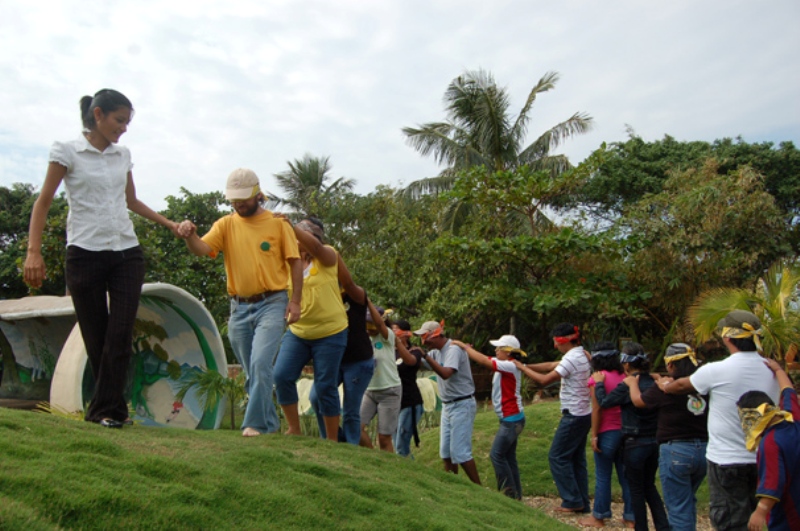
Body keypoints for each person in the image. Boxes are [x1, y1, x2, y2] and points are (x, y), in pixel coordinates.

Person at [24, 89, 185, 428]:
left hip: (126, 252)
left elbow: (132, 201)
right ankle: (111, 412)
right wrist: (33, 252)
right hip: (84, 254)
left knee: (120, 335)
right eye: (119, 120)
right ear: (98, 115)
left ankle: (104, 412)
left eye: (127, 122)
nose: (123, 128)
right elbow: (43, 202)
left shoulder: (122, 155)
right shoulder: (66, 151)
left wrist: (170, 224)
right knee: (96, 338)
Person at [179, 168, 302, 436]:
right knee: (252, 371)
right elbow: (203, 249)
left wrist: (295, 302)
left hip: (273, 302)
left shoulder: (279, 224)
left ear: (258, 194)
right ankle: (269, 426)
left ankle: (254, 425)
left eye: (243, 199)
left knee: (260, 364)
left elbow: (295, 262)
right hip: (238, 307)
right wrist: (190, 236)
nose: (238, 204)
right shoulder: (225, 224)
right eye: (234, 200)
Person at [660, 310, 780, 530]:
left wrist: (665, 385)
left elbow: (682, 386)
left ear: (727, 337)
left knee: (729, 522)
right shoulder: (773, 370)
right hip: (763, 459)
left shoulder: (717, 370)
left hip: (726, 460)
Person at [273, 217, 348, 441]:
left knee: (325, 386)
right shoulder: (288, 262)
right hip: (299, 332)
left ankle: (332, 439)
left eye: (299, 235)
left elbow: (315, 247)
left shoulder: (327, 255)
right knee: (282, 375)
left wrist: (291, 226)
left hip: (330, 332)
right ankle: (294, 429)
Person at [629, 343, 709, 531]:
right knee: (688, 499)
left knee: (678, 506)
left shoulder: (665, 387)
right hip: (703, 449)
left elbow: (639, 402)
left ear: (671, 365)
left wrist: (633, 384)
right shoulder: (702, 384)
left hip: (676, 449)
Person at [515, 322, 591, 513]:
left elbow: (543, 379)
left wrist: (521, 369)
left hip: (573, 414)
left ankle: (572, 500)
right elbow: (550, 365)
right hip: (584, 413)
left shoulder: (572, 358)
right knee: (576, 459)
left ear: (564, 341)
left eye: (556, 343)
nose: (555, 346)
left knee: (557, 456)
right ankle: (581, 500)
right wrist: (523, 365)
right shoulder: (582, 354)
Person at [594, 343, 669, 531]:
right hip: (654, 440)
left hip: (635, 441)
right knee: (649, 486)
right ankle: (662, 525)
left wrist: (600, 384)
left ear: (626, 365)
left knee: (636, 489)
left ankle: (641, 527)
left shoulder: (628, 385)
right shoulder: (653, 383)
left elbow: (604, 402)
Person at [308, 258, 373, 445]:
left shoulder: (355, 296)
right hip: (332, 361)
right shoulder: (321, 299)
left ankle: (351, 446)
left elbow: (350, 284)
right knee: (316, 397)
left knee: (351, 409)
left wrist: (332, 258)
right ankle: (331, 439)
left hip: (358, 361)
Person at [454, 335, 526, 499]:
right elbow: (486, 358)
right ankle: (515, 495)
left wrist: (464, 348)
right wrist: (469, 349)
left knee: (497, 455)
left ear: (508, 352)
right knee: (508, 457)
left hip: (511, 420)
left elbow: (485, 361)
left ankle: (508, 494)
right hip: (512, 418)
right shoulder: (507, 364)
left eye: (499, 348)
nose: (496, 350)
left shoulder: (508, 365)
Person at [414, 320, 481, 485]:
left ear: (436, 335)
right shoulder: (436, 352)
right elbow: (419, 363)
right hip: (447, 405)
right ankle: (453, 489)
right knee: (446, 453)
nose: (423, 342)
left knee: (461, 453)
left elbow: (445, 373)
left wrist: (425, 356)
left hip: (462, 404)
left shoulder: (453, 350)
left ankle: (480, 490)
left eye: (425, 337)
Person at [737, 359, 799, 531]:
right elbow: (789, 392)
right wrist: (778, 370)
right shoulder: (793, 417)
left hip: (790, 514)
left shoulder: (770, 443)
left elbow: (773, 481)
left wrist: (760, 511)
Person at [578, 341, 634, 528]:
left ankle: (599, 515)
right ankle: (631, 516)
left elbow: (597, 408)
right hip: (625, 431)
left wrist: (594, 435)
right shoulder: (625, 376)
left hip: (607, 431)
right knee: (625, 476)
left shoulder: (597, 378)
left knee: (603, 475)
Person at [359, 306, 417, 452]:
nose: (370, 328)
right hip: (369, 390)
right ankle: (374, 459)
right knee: (355, 427)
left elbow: (379, 325)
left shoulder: (388, 335)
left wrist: (367, 301)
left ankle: (387, 467)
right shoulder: (363, 338)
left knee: (384, 438)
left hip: (389, 391)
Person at [392, 319, 426, 458]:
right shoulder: (387, 351)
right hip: (393, 404)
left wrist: (398, 344)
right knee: (396, 446)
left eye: (395, 329)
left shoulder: (414, 351)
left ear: (406, 333)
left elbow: (411, 362)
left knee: (401, 446)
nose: (392, 332)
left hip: (410, 402)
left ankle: (411, 476)